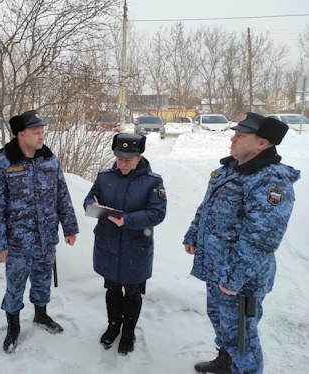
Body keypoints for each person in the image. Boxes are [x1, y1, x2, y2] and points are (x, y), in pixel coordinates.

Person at [183, 112, 300, 373]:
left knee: (242, 339)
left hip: (241, 282)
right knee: (221, 323)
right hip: (217, 271)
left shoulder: (270, 180)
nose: (233, 139)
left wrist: (233, 278)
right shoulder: (229, 170)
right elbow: (207, 207)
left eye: (241, 135)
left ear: (263, 143)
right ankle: (226, 362)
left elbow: (262, 238)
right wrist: (193, 235)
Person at [0, 109, 79, 353]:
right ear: (20, 134)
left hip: (46, 237)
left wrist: (69, 227)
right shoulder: (3, 163)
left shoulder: (49, 161)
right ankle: (13, 327)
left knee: (42, 280)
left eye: (42, 132)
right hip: (16, 242)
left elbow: (62, 196)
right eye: (36, 132)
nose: (41, 136)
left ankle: (41, 315)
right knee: (15, 286)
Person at [84, 133, 167, 355]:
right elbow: (89, 201)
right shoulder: (104, 177)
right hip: (108, 245)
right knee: (112, 288)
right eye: (119, 158)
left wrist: (127, 220)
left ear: (139, 157)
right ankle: (113, 327)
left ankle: (128, 332)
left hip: (135, 247)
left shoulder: (152, 181)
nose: (123, 163)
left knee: (132, 291)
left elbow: (158, 213)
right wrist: (96, 206)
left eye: (128, 159)